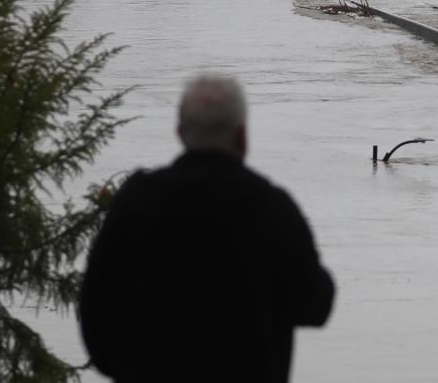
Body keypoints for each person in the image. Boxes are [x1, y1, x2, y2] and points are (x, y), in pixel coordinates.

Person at [80, 75, 334, 383]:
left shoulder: (134, 203)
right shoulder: (272, 208)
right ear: (241, 137)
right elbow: (317, 305)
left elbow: (95, 309)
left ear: (180, 132)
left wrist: (126, 368)